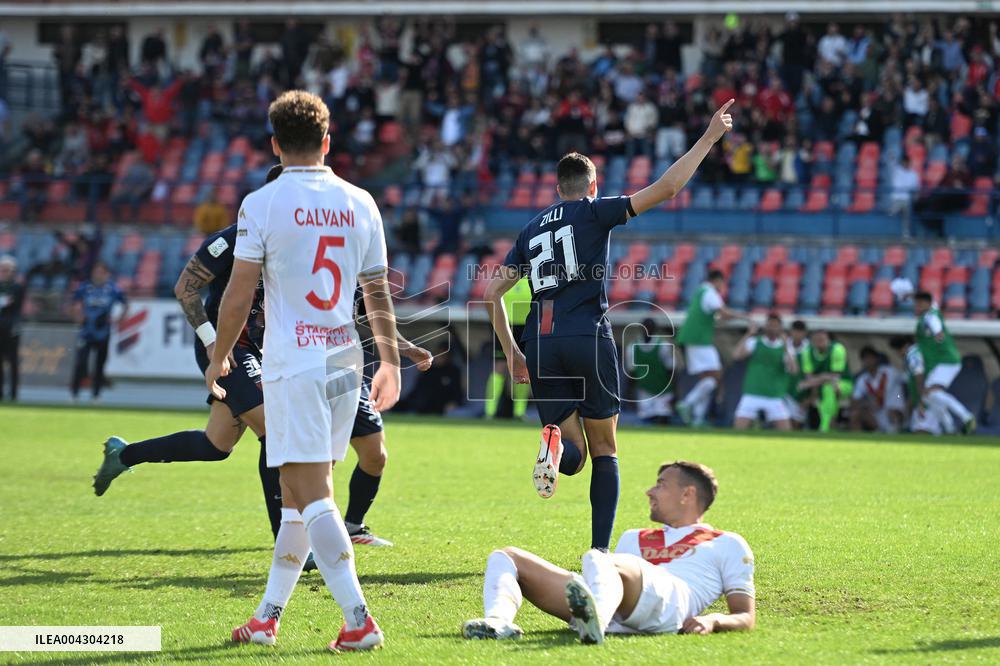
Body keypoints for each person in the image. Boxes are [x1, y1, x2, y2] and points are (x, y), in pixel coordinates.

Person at [485, 100, 735, 552]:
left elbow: (489, 295)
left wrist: (513, 352)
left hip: (539, 342)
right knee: (605, 451)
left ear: (556, 186)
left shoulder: (529, 230)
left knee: (574, 456)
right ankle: (600, 551)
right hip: (586, 336)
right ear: (592, 186)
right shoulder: (594, 212)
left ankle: (555, 445)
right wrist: (709, 138)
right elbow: (667, 188)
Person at [207, 91, 399, 651]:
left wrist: (219, 358)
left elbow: (239, 295)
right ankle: (268, 617)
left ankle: (359, 618)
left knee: (312, 493)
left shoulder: (261, 203)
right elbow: (377, 290)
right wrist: (388, 359)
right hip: (344, 359)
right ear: (327, 140)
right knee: (296, 492)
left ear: (274, 144)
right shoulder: (361, 201)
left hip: (295, 361)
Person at [462, 461, 755, 643]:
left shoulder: (727, 542)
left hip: (672, 606)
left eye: (661, 484)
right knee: (507, 555)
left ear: (687, 494)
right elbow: (611, 579)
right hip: (619, 609)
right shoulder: (633, 537)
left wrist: (713, 620)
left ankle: (595, 620)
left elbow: (744, 616)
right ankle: (498, 623)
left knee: (597, 559)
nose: (649, 492)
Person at [675, 269, 745, 427]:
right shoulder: (709, 291)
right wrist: (744, 316)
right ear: (717, 280)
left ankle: (698, 418)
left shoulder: (701, 291)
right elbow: (724, 313)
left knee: (707, 379)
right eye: (722, 283)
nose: (722, 287)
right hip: (699, 340)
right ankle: (687, 403)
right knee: (716, 375)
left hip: (694, 339)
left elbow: (713, 315)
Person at [913, 291, 975, 434]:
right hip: (941, 362)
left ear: (928, 304)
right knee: (928, 396)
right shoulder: (927, 315)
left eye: (920, 303)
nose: (917, 306)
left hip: (947, 360)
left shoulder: (930, 315)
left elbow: (934, 323)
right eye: (916, 304)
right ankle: (949, 428)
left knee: (932, 393)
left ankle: (967, 417)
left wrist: (937, 332)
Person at [71, 262, 126, 402]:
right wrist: (78, 317)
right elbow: (74, 303)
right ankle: (75, 393)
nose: (99, 275)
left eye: (102, 272)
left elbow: (125, 304)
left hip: (103, 332)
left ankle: (95, 395)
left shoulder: (113, 289)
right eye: (96, 272)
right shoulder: (85, 287)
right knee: (81, 363)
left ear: (107, 274)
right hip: (86, 331)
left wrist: (117, 320)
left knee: (99, 365)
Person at [732, 314, 797, 431]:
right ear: (765, 327)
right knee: (738, 429)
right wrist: (748, 334)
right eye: (770, 325)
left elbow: (793, 370)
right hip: (753, 392)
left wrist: (786, 347)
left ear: (780, 328)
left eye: (775, 326)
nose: (772, 328)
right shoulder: (755, 342)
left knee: (786, 431)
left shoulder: (785, 346)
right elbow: (736, 355)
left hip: (774, 395)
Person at [485, 277, 531, 419]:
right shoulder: (506, 274)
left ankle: (519, 413)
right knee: (499, 367)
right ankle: (489, 412)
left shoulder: (534, 275)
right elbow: (492, 296)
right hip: (506, 326)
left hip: (526, 326)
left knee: (524, 368)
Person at [889, 335, 950, 435]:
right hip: (928, 399)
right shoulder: (918, 354)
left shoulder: (913, 355)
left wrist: (921, 402)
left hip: (928, 401)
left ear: (904, 347)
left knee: (922, 432)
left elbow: (919, 378)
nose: (898, 354)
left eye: (897, 351)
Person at [797, 329, 852, 432]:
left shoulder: (837, 349)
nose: (820, 342)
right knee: (824, 393)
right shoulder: (807, 352)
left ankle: (824, 428)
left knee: (829, 388)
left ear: (828, 339)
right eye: (817, 339)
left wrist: (816, 379)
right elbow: (808, 377)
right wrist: (821, 379)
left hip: (844, 383)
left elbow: (835, 376)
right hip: (819, 386)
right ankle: (830, 426)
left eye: (822, 339)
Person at [624, 318, 674, 424]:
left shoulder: (663, 346)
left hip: (663, 390)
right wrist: (629, 393)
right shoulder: (632, 347)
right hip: (645, 391)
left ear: (655, 329)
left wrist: (674, 391)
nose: (648, 330)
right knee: (647, 420)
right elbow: (631, 373)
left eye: (651, 328)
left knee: (663, 419)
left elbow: (671, 370)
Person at [848, 346, 905, 433]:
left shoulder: (891, 372)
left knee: (893, 413)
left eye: (870, 358)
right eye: (865, 359)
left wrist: (902, 398)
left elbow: (907, 381)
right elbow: (855, 400)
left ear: (877, 359)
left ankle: (895, 432)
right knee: (855, 414)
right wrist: (866, 404)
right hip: (877, 413)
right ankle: (859, 441)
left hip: (894, 411)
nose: (868, 362)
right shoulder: (863, 379)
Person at [0, 255, 25, 401]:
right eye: (3, 270)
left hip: (11, 328)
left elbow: (14, 305)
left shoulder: (17, 287)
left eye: (9, 270)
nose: (6, 273)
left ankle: (14, 393)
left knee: (13, 361)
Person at [783, 319, 809, 428]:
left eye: (800, 331)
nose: (797, 334)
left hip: (800, 392)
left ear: (805, 333)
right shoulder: (783, 345)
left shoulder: (809, 349)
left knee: (796, 424)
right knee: (783, 421)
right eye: (795, 331)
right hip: (783, 390)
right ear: (791, 332)